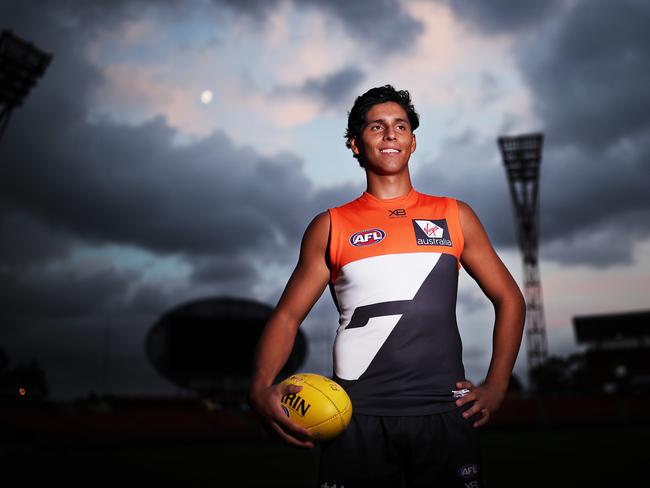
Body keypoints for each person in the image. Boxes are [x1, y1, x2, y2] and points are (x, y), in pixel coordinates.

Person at [249, 85, 526, 487]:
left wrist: (497, 386)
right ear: (355, 145)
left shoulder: (454, 215)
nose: (391, 133)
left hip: (443, 412)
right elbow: (288, 316)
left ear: (413, 142)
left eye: (400, 126)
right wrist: (259, 388)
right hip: (354, 416)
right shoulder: (330, 225)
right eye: (376, 127)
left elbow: (509, 298)